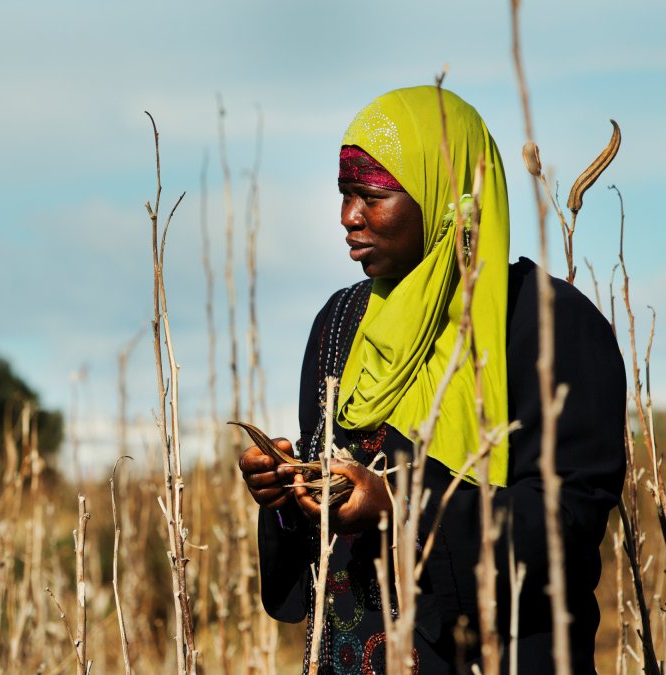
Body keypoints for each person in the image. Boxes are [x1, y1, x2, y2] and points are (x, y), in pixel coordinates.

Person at [239, 86, 625, 673]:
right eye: (344, 195)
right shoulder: (340, 325)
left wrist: (401, 509)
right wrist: (289, 495)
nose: (348, 217)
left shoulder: (548, 325)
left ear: (446, 199)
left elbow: (567, 521)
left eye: (371, 195)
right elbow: (322, 543)